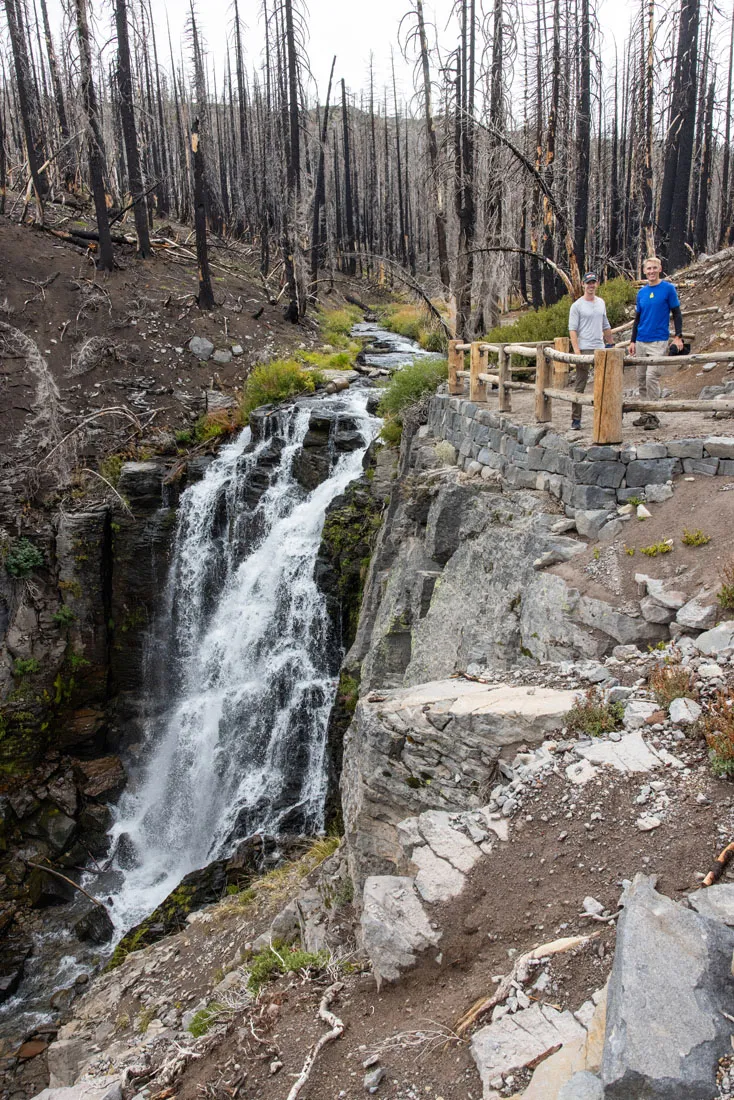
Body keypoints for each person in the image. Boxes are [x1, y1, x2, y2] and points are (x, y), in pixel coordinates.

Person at [628, 256, 684, 428]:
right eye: (648, 269)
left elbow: (676, 313)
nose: (651, 271)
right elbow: (637, 318)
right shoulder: (642, 293)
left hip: (658, 340)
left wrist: (678, 336)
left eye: (654, 268)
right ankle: (645, 413)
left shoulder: (668, 289)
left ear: (660, 269)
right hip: (641, 340)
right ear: (644, 271)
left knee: (652, 376)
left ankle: (653, 414)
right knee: (641, 378)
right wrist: (632, 341)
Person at [568, 272, 612, 431]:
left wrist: (611, 344)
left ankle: (604, 415)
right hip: (584, 346)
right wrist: (577, 351)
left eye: (593, 283)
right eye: (588, 283)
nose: (591, 286)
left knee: (604, 383)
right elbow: (572, 329)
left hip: (599, 346)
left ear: (597, 284)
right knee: (580, 383)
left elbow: (605, 324)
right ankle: (576, 419)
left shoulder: (601, 302)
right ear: (583, 284)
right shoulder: (577, 306)